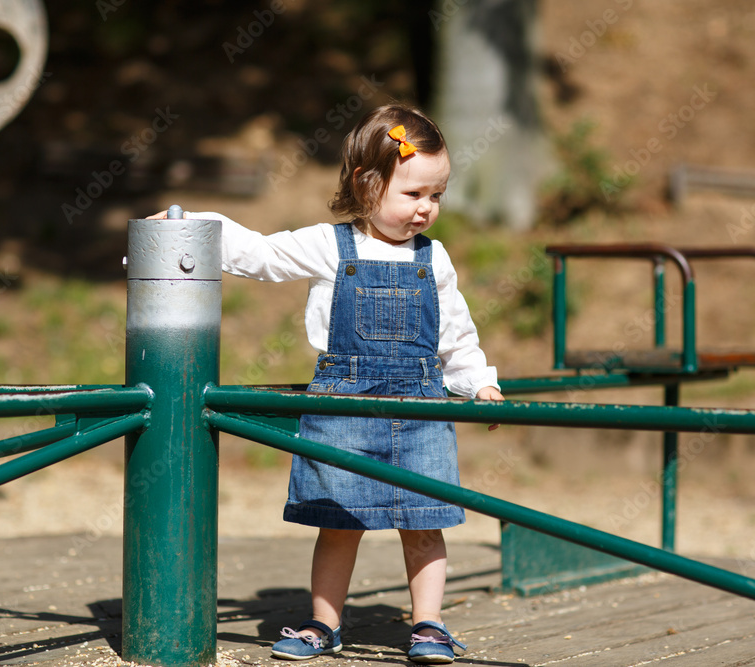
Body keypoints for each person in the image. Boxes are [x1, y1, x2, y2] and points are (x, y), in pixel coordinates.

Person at [151, 103, 503, 663]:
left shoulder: (434, 260)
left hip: (420, 404)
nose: (426, 210)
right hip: (344, 405)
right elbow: (261, 255)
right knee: (340, 524)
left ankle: (429, 625)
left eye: (436, 196)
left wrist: (477, 383)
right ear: (367, 186)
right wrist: (189, 229)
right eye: (413, 194)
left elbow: (455, 333)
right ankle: (323, 623)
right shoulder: (329, 246)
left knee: (427, 521)